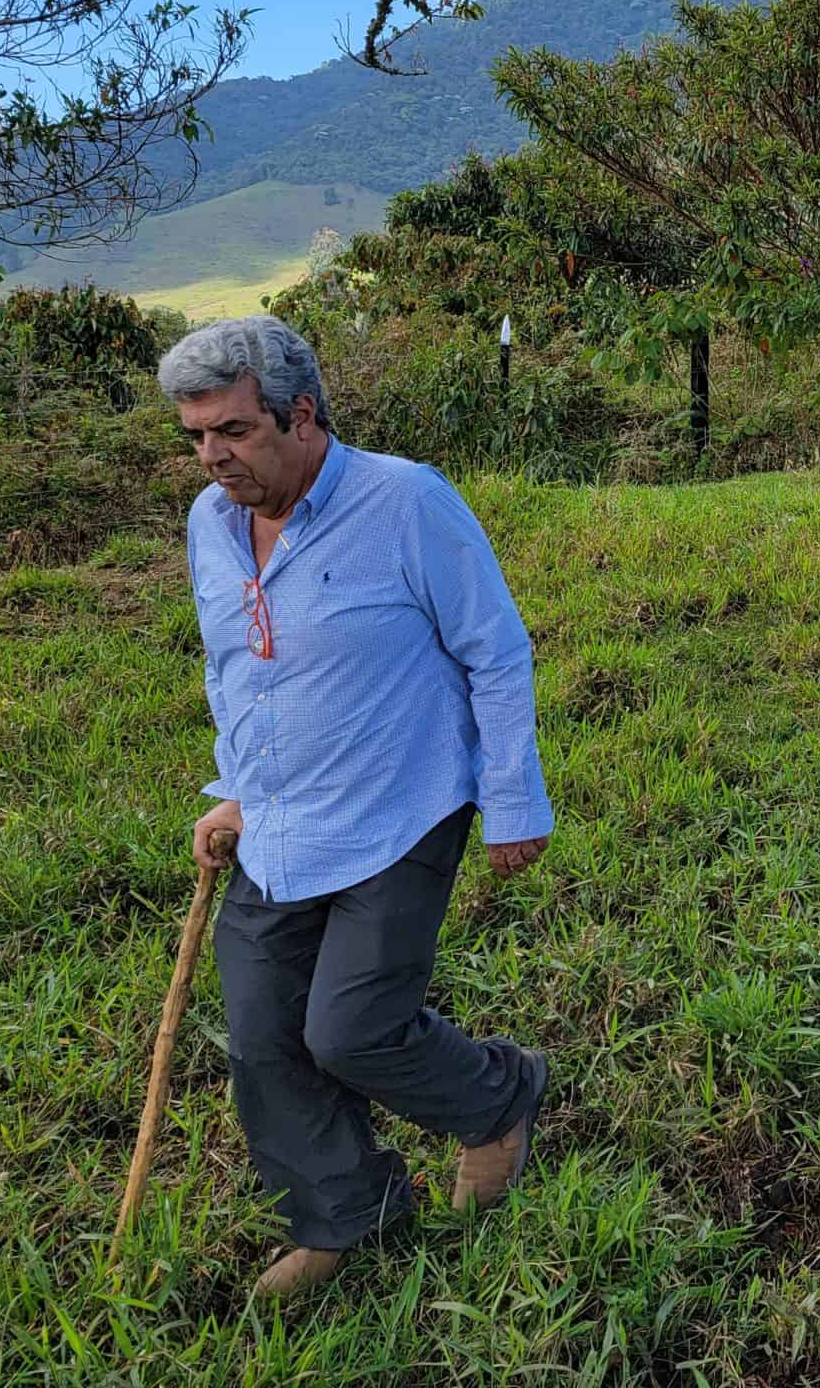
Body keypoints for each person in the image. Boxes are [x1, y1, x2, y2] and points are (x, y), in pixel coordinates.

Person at [160, 315, 555, 1300]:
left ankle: (498, 1100)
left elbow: (494, 653)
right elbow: (237, 674)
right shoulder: (211, 528)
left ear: (301, 416)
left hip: (399, 808)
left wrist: (512, 800)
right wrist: (237, 795)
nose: (214, 458)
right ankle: (346, 1210)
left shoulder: (406, 502)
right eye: (197, 437)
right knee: (260, 1037)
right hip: (279, 820)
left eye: (234, 432)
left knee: (351, 1029)